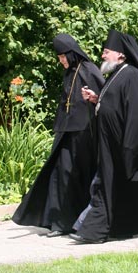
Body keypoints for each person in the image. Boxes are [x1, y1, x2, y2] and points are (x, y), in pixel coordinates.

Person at [70, 30, 138, 243]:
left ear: (120, 54)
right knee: (110, 186)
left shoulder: (132, 76)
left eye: (106, 51)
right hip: (113, 145)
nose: (102, 55)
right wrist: (96, 99)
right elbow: (113, 104)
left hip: (129, 143)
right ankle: (99, 229)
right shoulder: (116, 75)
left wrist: (132, 144)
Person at [12, 34, 104, 237]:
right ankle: (59, 221)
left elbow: (104, 99)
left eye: (63, 56)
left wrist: (93, 99)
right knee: (59, 175)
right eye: (59, 57)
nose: (61, 61)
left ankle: (78, 221)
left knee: (77, 176)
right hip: (66, 133)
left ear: (71, 54)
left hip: (84, 135)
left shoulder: (89, 70)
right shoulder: (69, 73)